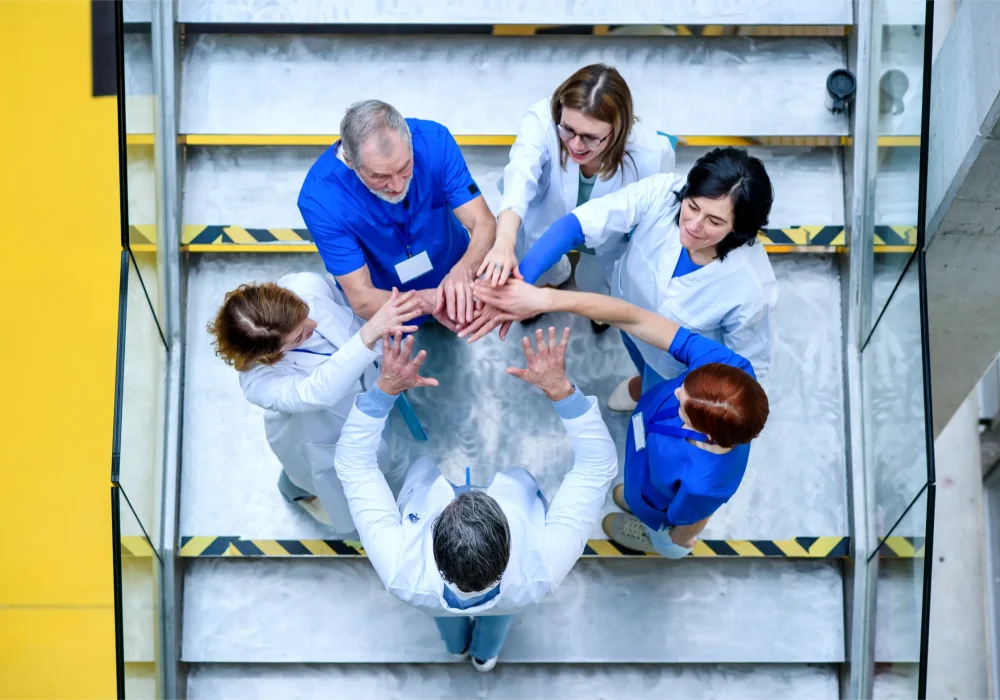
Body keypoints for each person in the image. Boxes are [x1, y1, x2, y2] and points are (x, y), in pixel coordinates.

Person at [331, 327, 617, 670]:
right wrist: (562, 393)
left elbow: (354, 465)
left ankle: (456, 649)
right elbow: (596, 467)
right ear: (507, 540)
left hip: (434, 600)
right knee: (501, 616)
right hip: (511, 599)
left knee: (443, 619)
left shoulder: (400, 574)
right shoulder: (543, 571)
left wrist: (383, 391)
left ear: (437, 554)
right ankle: (485, 655)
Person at [463, 147, 777, 412]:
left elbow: (744, 369)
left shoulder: (749, 288)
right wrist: (518, 283)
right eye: (692, 206)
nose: (694, 224)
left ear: (739, 230)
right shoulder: (665, 192)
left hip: (677, 368)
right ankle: (643, 379)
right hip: (625, 314)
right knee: (636, 350)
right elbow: (577, 225)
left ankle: (650, 389)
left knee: (658, 400)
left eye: (714, 221)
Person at [471, 280, 769, 558]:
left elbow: (689, 526)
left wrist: (674, 541)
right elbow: (636, 319)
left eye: (684, 408)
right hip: (645, 464)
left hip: (660, 506)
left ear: (709, 435)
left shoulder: (707, 483)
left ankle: (652, 536)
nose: (676, 391)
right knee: (636, 490)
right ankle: (636, 497)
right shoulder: (728, 370)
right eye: (685, 385)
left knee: (664, 533)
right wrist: (547, 299)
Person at [207, 273, 421, 532]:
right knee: (323, 483)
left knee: (376, 450)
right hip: (321, 431)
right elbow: (318, 392)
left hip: (367, 396)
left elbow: (342, 314)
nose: (313, 323)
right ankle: (293, 492)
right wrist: (368, 336)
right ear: (270, 353)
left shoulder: (305, 284)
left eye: (304, 312)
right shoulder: (258, 382)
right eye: (298, 338)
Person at [478, 64, 676, 334]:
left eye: (591, 138)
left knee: (596, 280)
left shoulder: (649, 153)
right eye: (568, 130)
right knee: (539, 262)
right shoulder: (541, 121)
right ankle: (548, 284)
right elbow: (520, 178)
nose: (576, 145)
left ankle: (598, 305)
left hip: (608, 238)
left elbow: (655, 206)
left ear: (618, 132)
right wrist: (503, 242)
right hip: (546, 222)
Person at [298, 99, 498, 331]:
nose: (396, 185)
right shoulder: (320, 200)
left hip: (453, 273)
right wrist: (433, 301)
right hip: (387, 302)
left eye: (405, 168)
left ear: (411, 144)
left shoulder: (435, 141)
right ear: (351, 163)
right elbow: (362, 298)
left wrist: (463, 272)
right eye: (379, 176)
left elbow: (483, 222)